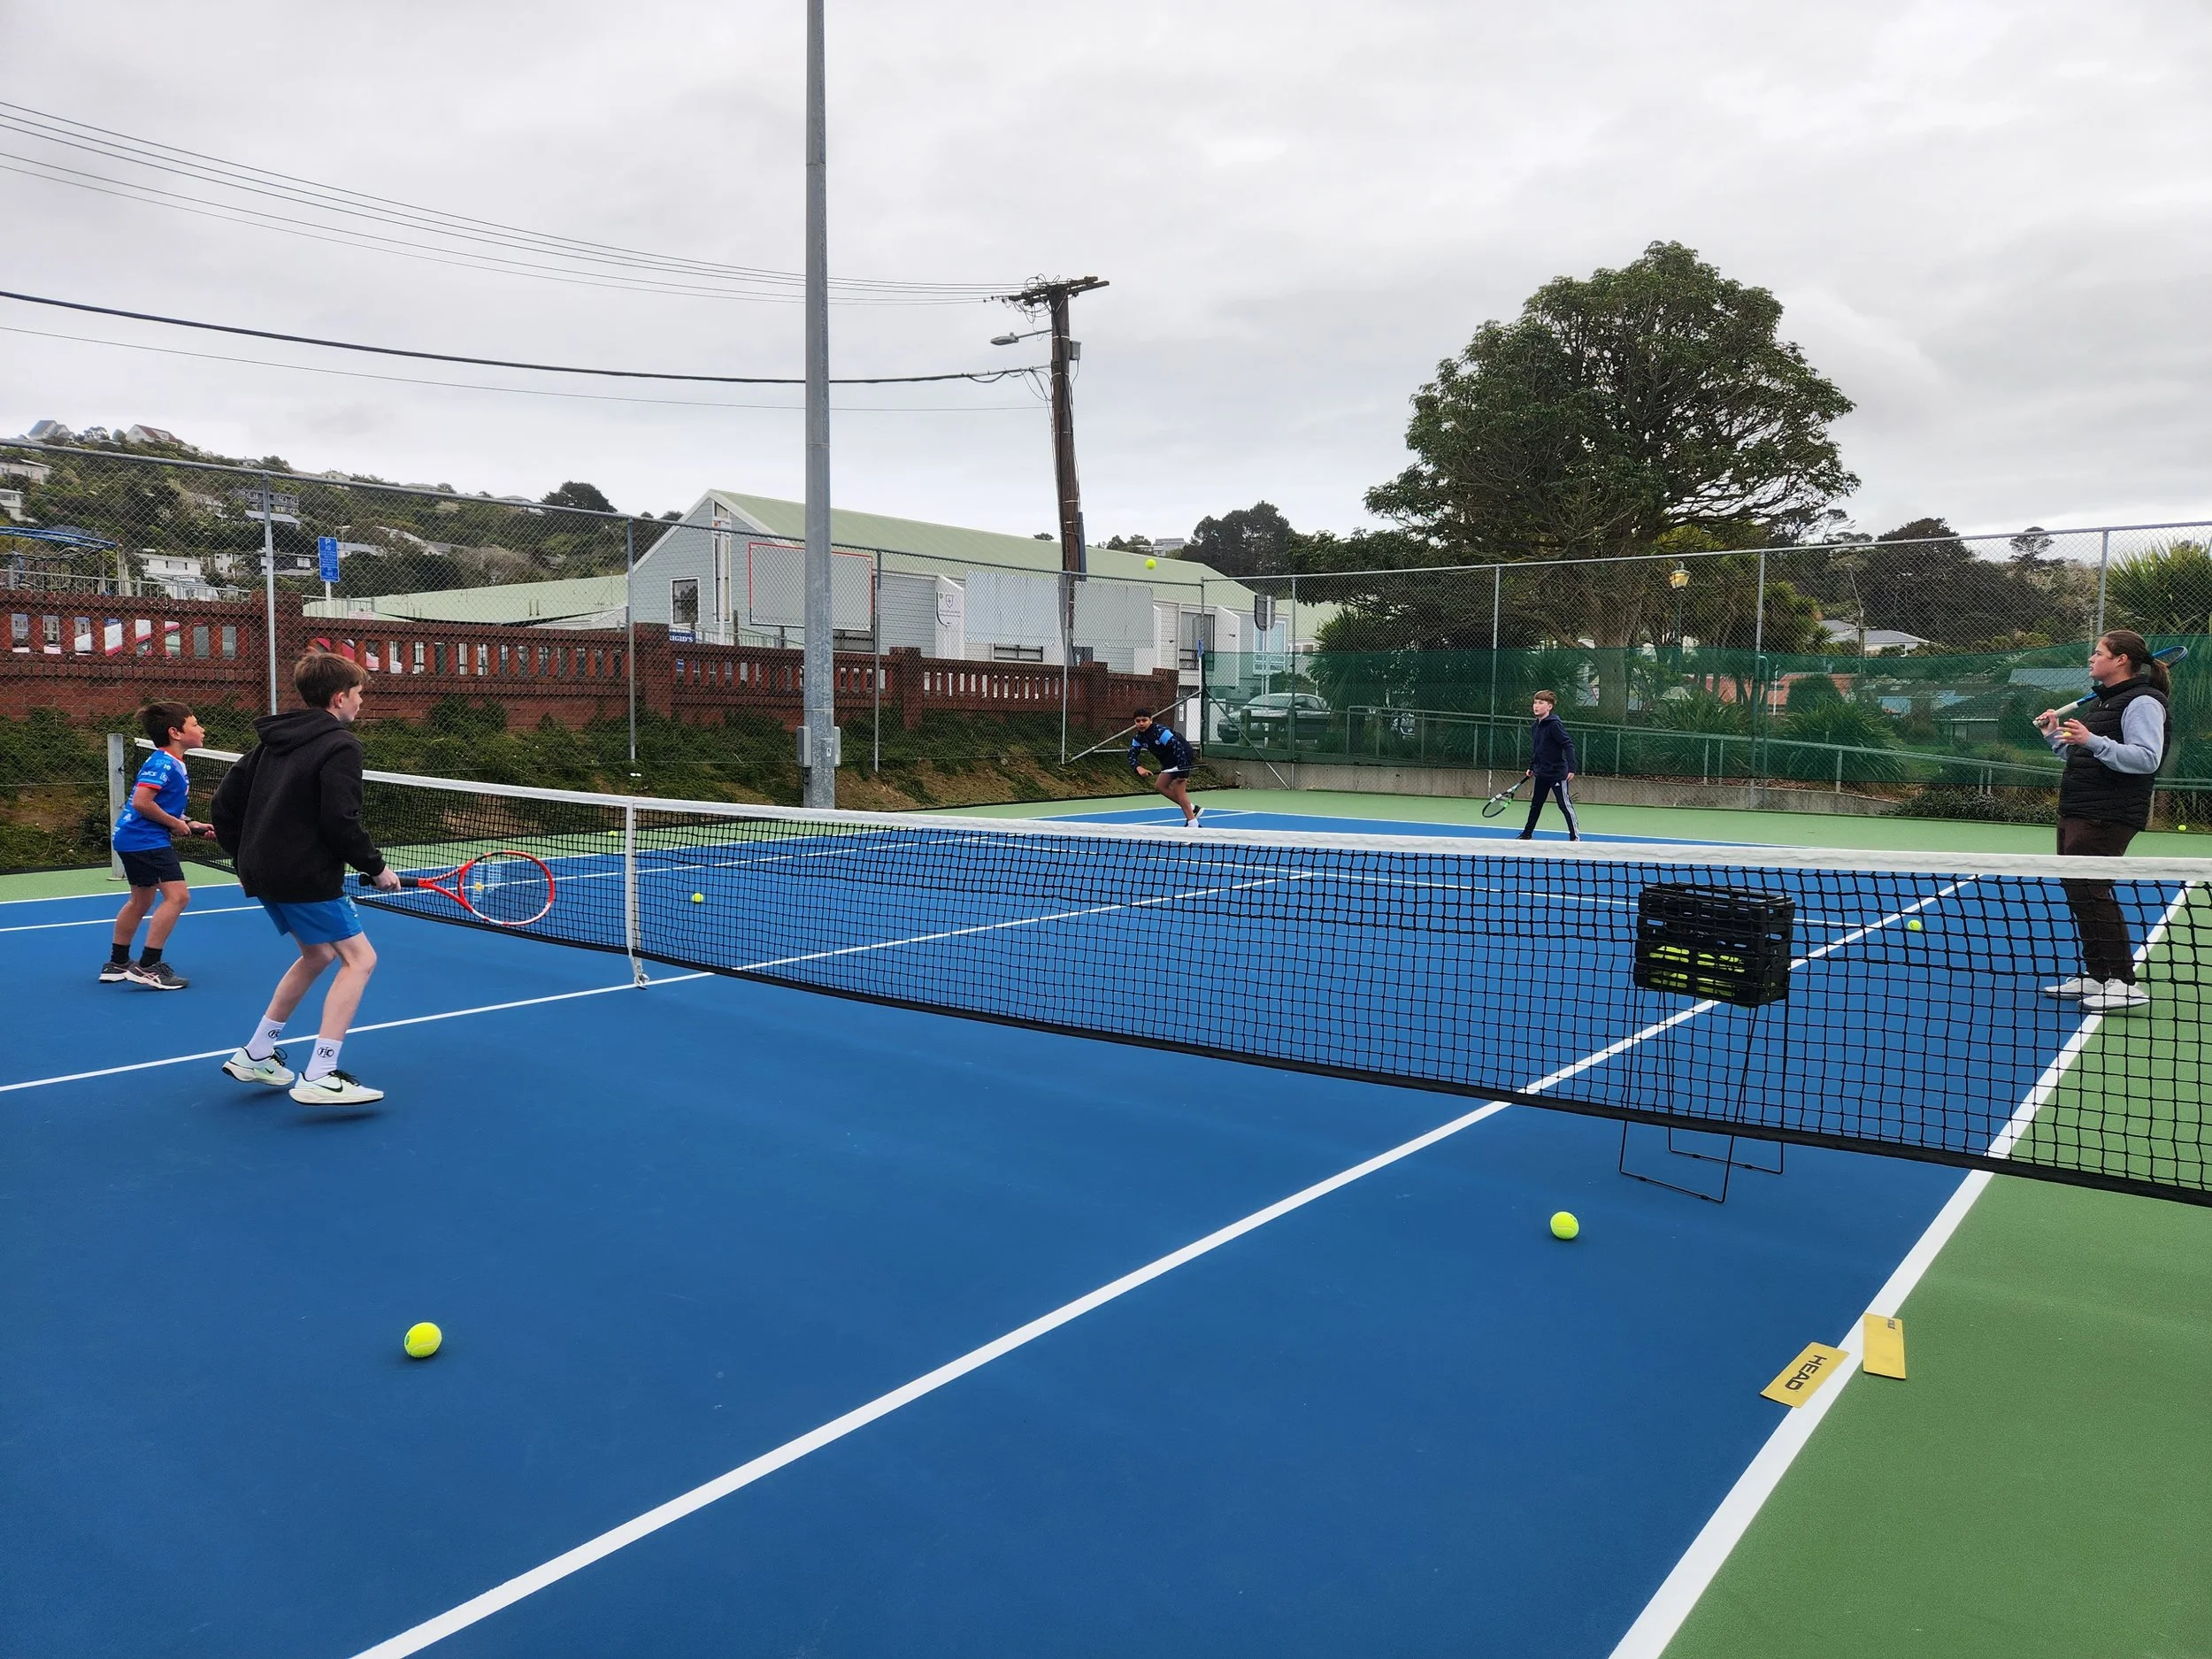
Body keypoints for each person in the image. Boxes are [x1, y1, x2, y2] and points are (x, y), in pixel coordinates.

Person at [210, 650, 403, 1104]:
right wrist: (375, 867)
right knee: (360, 960)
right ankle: (320, 1072)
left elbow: (222, 807)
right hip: (304, 874)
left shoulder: (269, 742)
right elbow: (340, 819)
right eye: (358, 695)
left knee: (317, 955)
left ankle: (257, 1052)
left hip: (264, 872)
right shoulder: (341, 745)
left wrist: (245, 860)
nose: (361, 704)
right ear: (340, 697)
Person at [2033, 630, 2170, 1013]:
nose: (2092, 659)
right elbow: (2085, 757)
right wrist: (2055, 737)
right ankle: (2097, 975)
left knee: (2093, 892)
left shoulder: (2144, 702)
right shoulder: (2105, 705)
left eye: (2098, 653)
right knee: (2080, 893)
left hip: (2108, 814)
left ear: (2121, 659)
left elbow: (2146, 758)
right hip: (2079, 809)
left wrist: (2092, 739)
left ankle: (2124, 982)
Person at [104, 702, 218, 989]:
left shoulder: (170, 763)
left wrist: (189, 823)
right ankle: (148, 966)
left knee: (141, 900)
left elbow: (161, 804)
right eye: (194, 724)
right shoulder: (164, 762)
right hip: (145, 839)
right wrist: (173, 824)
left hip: (133, 837)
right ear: (175, 732)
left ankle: (117, 963)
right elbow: (142, 802)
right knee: (178, 897)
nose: (201, 729)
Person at [1517, 690, 1580, 841]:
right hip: (1542, 773)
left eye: (1541, 703)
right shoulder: (1535, 726)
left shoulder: (1554, 725)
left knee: (1564, 805)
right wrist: (1532, 767)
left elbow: (1568, 745)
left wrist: (1571, 768)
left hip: (1557, 773)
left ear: (1549, 707)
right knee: (1536, 805)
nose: (1536, 706)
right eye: (1535, 702)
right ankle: (1527, 834)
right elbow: (1538, 749)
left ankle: (1575, 837)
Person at [1129, 707, 1203, 826]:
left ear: (1151, 720)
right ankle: (1193, 808)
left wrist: (1182, 772)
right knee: (1160, 786)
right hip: (1168, 761)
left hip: (1182, 755)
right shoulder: (1138, 738)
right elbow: (1131, 756)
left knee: (1179, 789)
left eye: (1144, 720)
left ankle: (1193, 824)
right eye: (1138, 721)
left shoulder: (1160, 732)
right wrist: (1138, 768)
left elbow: (1177, 747)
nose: (1141, 723)